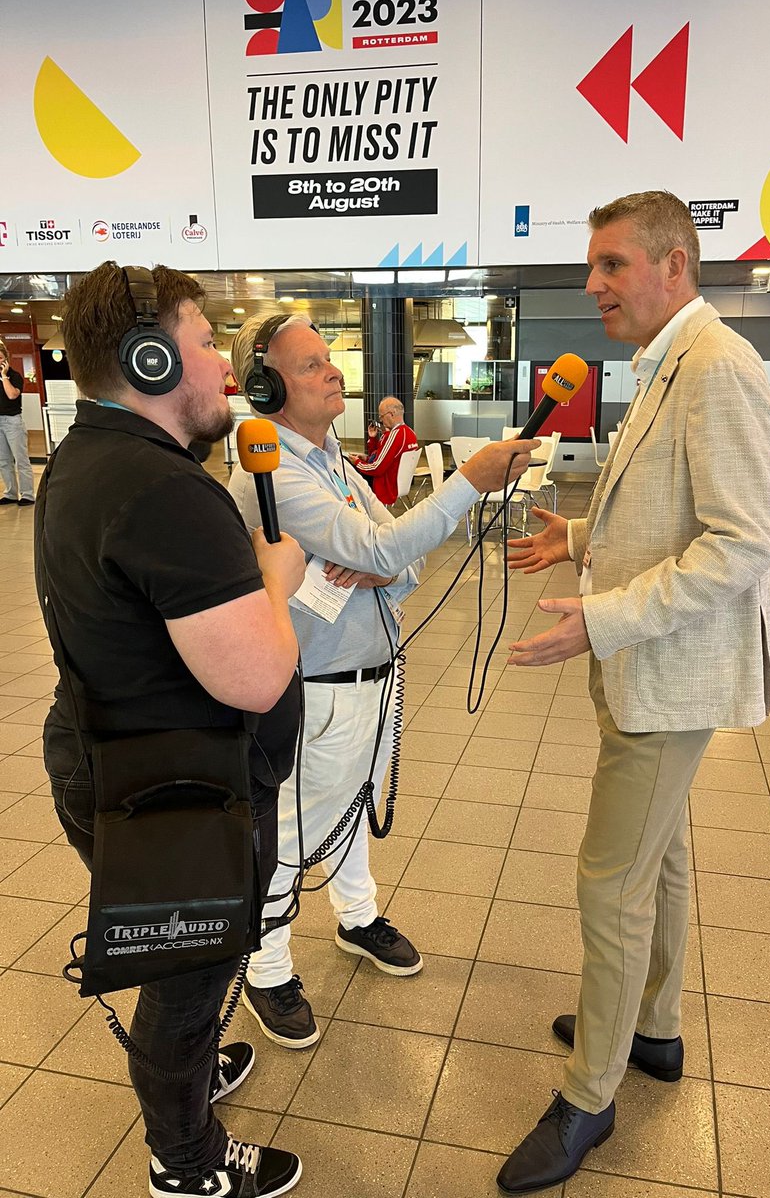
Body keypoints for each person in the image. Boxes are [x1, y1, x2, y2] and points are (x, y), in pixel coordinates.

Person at [498, 191, 770, 1194]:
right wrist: (579, 538)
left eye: (612, 264)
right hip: (648, 670)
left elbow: (743, 542)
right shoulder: (665, 362)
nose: (594, 285)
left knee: (607, 880)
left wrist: (603, 617)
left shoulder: (717, 367)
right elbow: (670, 508)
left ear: (674, 265)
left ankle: (590, 1097)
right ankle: (652, 1028)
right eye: (594, 266)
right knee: (657, 860)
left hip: (669, 672)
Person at [37, 262, 306, 1198]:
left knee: (183, 966)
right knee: (187, 980)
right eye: (204, 342)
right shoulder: (162, 490)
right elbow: (257, 673)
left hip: (124, 763)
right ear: (149, 359)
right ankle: (184, 1159)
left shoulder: (89, 455)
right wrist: (277, 578)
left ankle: (184, 1073)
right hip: (173, 795)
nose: (227, 367)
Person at [228, 313, 537, 1050]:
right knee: (294, 827)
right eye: (311, 365)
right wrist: (466, 484)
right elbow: (384, 545)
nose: (333, 371)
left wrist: (384, 564)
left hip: (374, 673)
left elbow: (403, 557)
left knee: (358, 801)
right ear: (265, 387)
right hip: (317, 685)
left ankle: (356, 916)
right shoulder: (271, 474)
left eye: (327, 359)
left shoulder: (333, 462)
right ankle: (267, 969)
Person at [350, 395, 418, 504]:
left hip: (385, 486)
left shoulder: (395, 435)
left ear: (391, 414)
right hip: (398, 483)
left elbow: (376, 468)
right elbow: (381, 458)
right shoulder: (410, 433)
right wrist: (372, 441)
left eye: (381, 416)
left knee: (347, 469)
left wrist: (357, 462)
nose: (380, 420)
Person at [0, 343, 35, 505]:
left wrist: (4, 376)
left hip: (13, 421)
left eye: (0, 357)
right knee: (3, 460)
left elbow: (12, 395)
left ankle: (27, 494)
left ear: (6, 358)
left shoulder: (14, 376)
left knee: (21, 459)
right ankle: (10, 493)